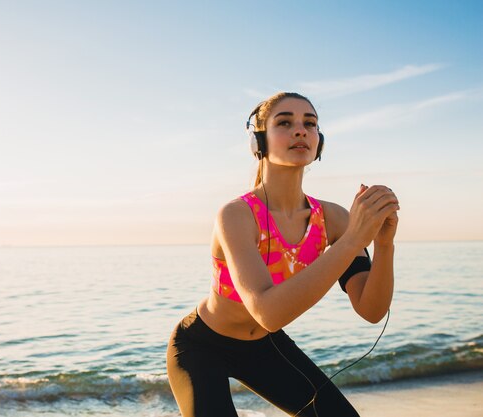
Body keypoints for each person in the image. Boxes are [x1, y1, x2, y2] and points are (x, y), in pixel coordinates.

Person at [166, 92, 399, 417]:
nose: (300, 130)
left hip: (266, 345)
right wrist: (353, 239)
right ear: (258, 141)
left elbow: (371, 310)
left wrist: (383, 245)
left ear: (320, 141)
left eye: (310, 123)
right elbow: (267, 312)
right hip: (203, 345)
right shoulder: (236, 215)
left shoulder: (332, 219)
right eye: (285, 122)